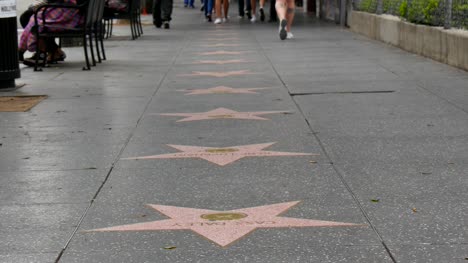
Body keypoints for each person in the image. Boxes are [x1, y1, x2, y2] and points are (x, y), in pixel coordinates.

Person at [18, 0, 84, 66]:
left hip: (70, 15)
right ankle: (53, 51)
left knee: (35, 21)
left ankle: (41, 54)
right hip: (73, 12)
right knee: (29, 16)